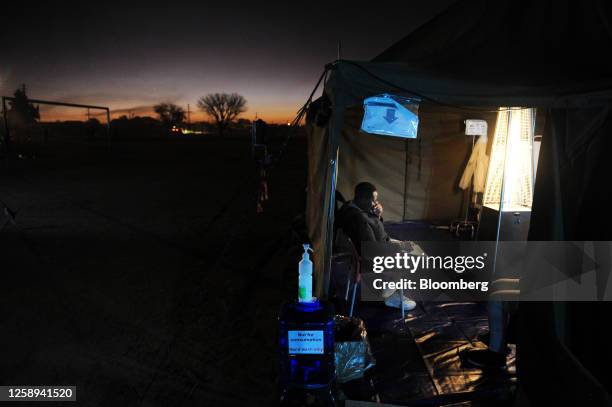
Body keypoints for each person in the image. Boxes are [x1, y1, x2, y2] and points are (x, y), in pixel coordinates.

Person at [336, 182, 417, 311]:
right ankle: (388, 294)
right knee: (415, 258)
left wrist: (377, 215)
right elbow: (372, 251)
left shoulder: (351, 207)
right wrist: (400, 248)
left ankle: (391, 292)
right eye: (373, 200)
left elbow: (373, 230)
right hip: (373, 260)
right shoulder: (358, 219)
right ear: (362, 199)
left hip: (379, 246)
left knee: (411, 249)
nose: (376, 203)